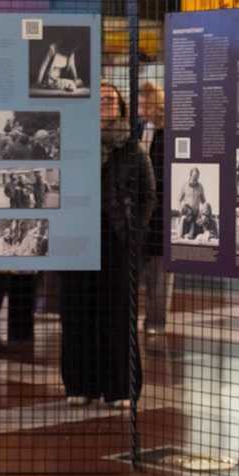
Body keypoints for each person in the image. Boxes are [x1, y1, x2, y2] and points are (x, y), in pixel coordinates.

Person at [60, 83, 155, 407]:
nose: (105, 103)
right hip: (76, 237)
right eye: (99, 99)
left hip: (116, 238)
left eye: (111, 99)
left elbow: (148, 194)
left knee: (118, 313)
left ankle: (120, 387)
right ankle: (80, 384)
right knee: (76, 310)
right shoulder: (72, 143)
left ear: (121, 106)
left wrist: (135, 232)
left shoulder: (132, 147)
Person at [138, 82, 173, 336]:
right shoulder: (140, 129)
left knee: (160, 273)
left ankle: (156, 321)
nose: (141, 106)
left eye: (145, 102)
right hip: (140, 209)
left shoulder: (168, 133)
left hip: (162, 211)